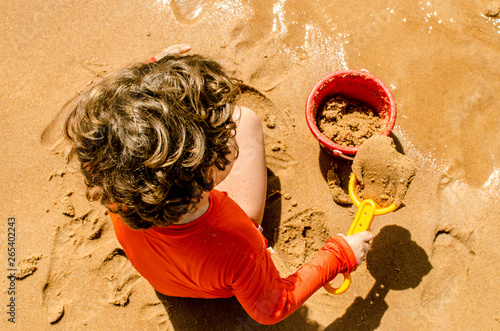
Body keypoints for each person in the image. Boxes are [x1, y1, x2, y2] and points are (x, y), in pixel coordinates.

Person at [64, 45, 373, 325]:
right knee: (247, 119)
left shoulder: (113, 179)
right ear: (205, 174)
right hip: (218, 278)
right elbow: (272, 307)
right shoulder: (238, 244)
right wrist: (338, 255)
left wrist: (150, 87)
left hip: (167, 278)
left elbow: (120, 129)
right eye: (224, 139)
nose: (229, 135)